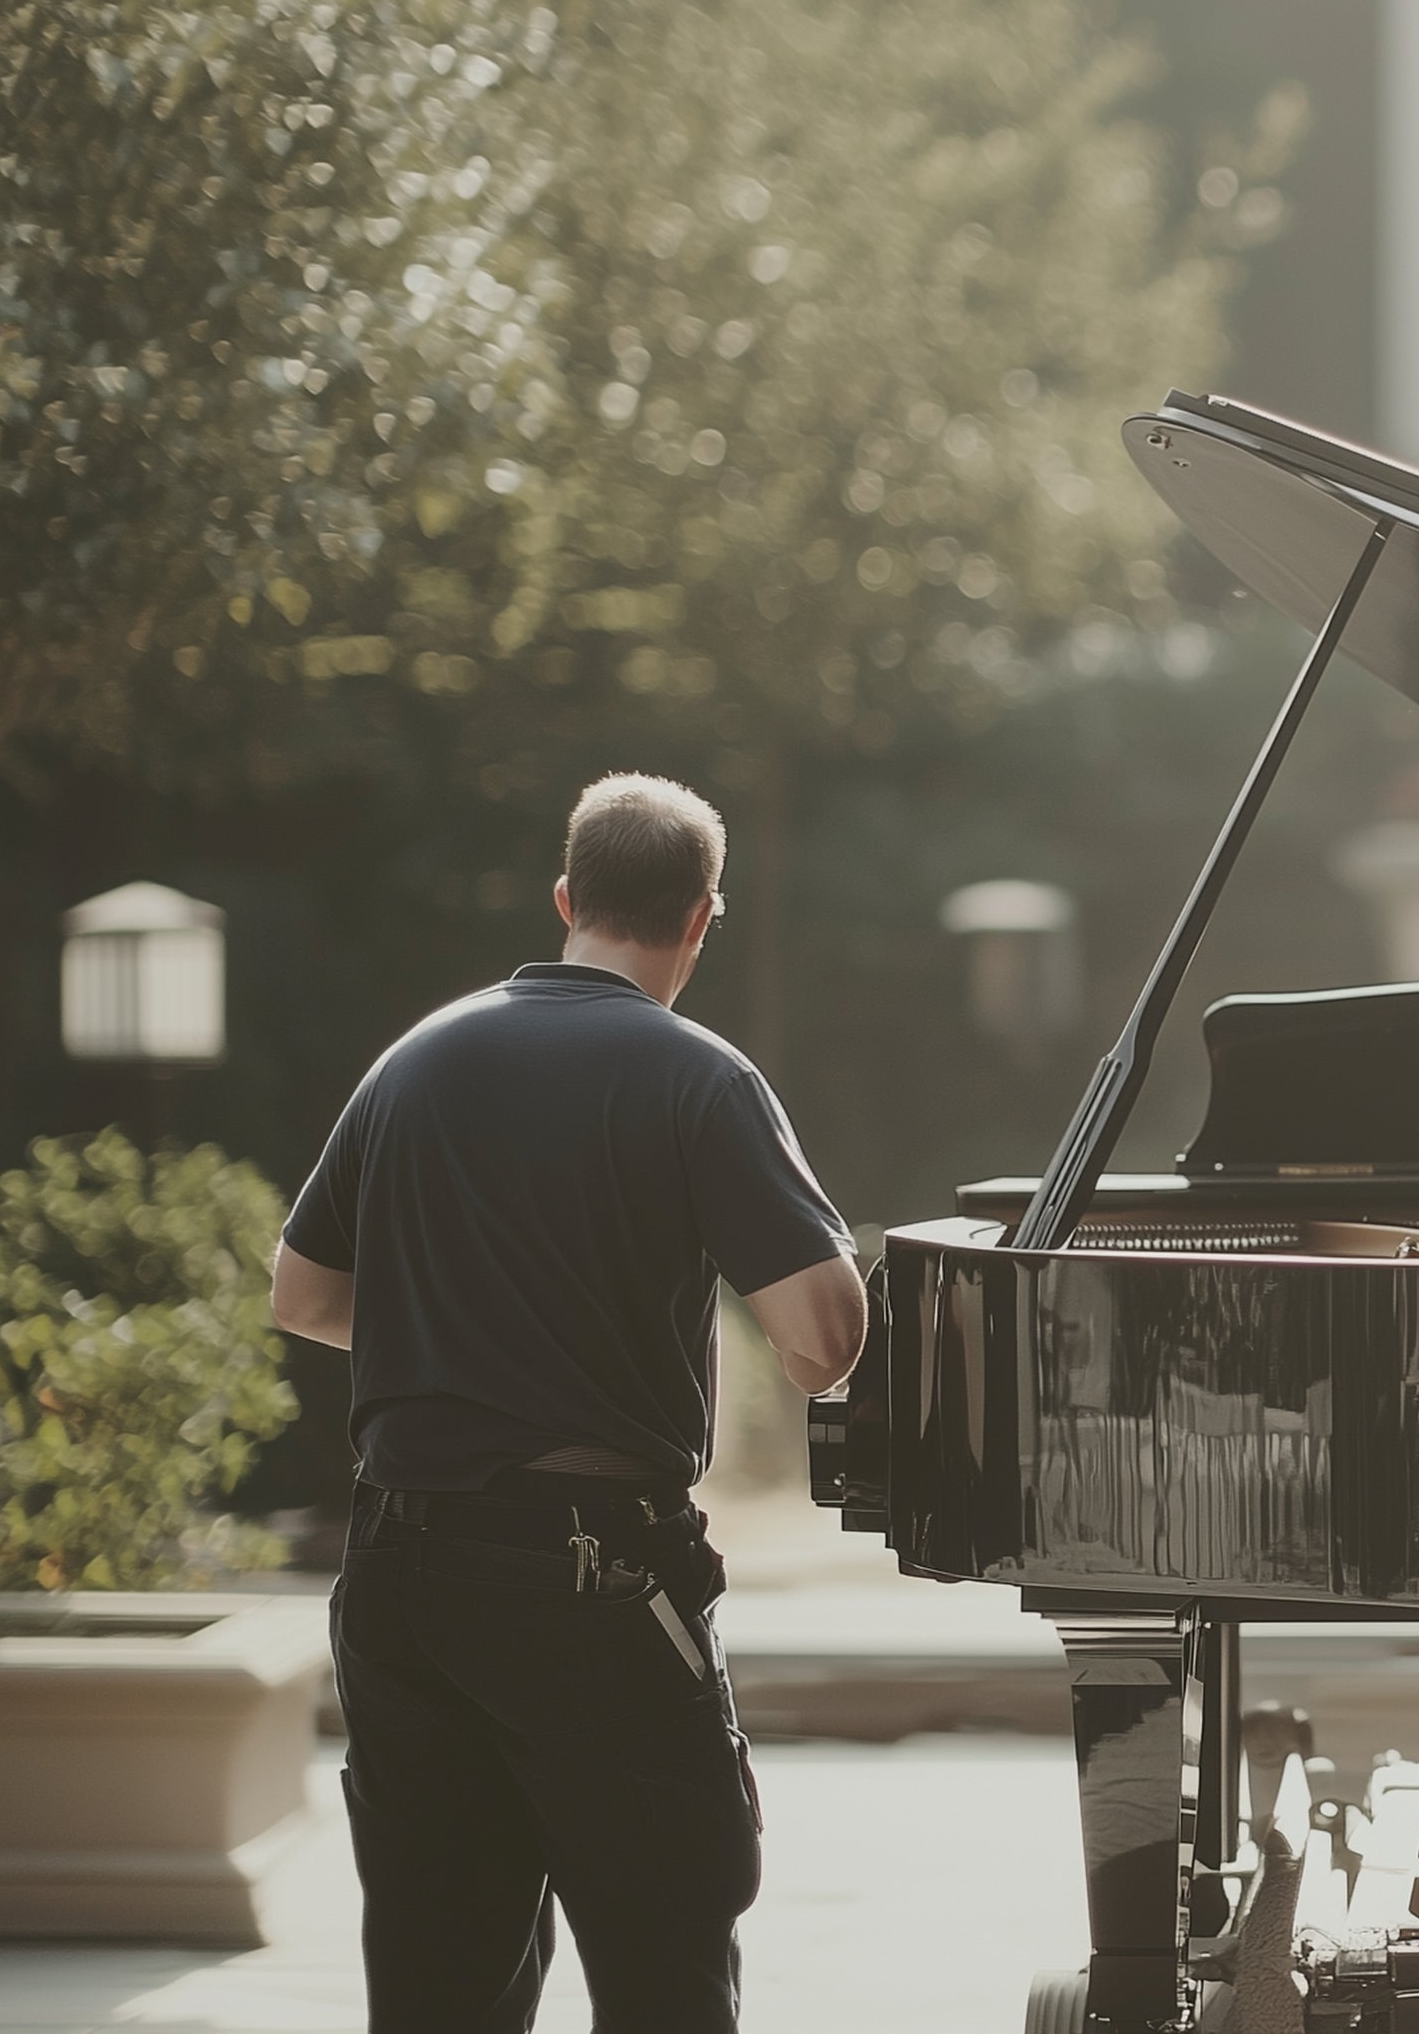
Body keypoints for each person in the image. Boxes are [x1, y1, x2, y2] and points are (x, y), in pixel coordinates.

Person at [272, 772, 868, 2034]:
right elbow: (822, 1340)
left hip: (398, 1574)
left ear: (565, 899)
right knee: (663, 1967)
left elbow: (303, 1293)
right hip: (593, 1580)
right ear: (702, 917)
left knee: (440, 1984)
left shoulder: (415, 1059)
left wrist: (460, 1334)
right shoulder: (699, 1077)